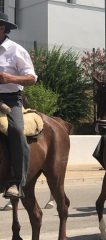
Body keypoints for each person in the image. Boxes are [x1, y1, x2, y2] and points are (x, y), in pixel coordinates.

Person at [0, 12, 37, 198]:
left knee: (16, 130)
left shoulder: (16, 50)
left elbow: (32, 78)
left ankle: (16, 181)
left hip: (10, 99)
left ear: (2, 28)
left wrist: (9, 78)